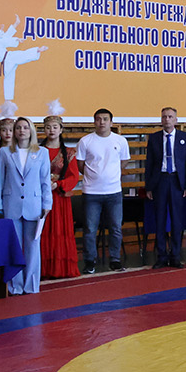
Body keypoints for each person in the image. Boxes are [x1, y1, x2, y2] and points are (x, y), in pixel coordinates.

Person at [0, 119, 53, 295]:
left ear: (31, 130)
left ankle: (31, 285)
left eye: (25, 127)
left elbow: (45, 180)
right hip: (11, 205)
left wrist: (47, 204)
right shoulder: (5, 152)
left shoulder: (42, 152)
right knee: (14, 247)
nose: (21, 130)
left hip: (34, 205)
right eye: (18, 127)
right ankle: (15, 285)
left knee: (33, 246)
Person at [73, 109, 130, 274]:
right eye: (98, 119)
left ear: (111, 122)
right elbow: (80, 165)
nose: (102, 122)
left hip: (114, 192)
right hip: (91, 192)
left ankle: (115, 259)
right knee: (90, 229)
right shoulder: (85, 141)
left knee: (116, 228)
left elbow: (124, 161)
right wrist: (95, 176)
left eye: (105, 119)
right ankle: (90, 261)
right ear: (94, 122)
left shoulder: (120, 140)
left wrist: (111, 175)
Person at [144, 108, 186, 268]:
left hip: (177, 181)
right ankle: (161, 256)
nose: (167, 119)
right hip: (160, 180)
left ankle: (175, 255)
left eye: (170, 116)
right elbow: (149, 164)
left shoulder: (185, 137)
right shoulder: (154, 138)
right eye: (164, 117)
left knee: (177, 220)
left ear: (176, 120)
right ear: (161, 119)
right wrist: (148, 187)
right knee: (160, 219)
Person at [42, 116, 80, 281]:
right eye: (48, 127)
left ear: (61, 130)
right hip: (41, 197)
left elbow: (74, 176)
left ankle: (61, 269)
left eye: (55, 127)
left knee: (59, 231)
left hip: (60, 198)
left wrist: (58, 184)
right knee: (42, 231)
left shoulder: (69, 153)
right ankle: (43, 268)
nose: (51, 130)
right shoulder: (36, 150)